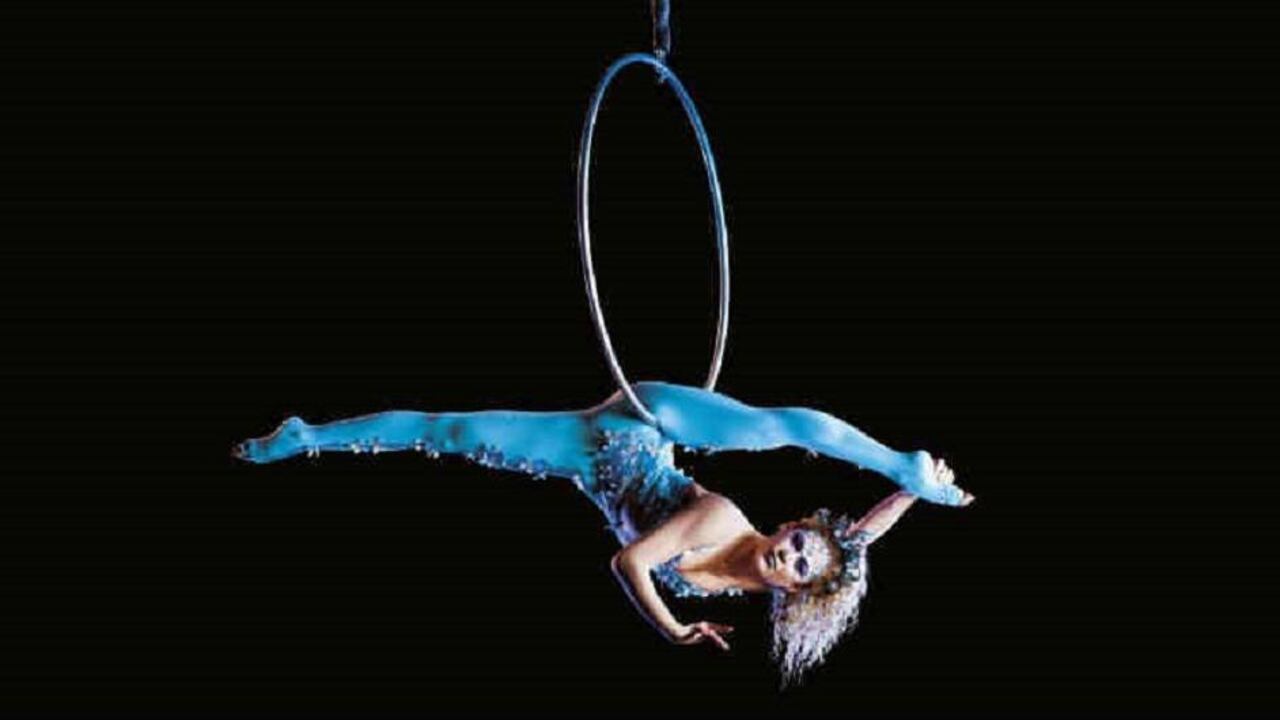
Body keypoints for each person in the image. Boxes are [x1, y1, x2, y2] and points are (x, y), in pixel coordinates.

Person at [233, 380, 974, 684]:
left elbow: (854, 547)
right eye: (799, 539)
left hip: (589, 459)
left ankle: (308, 436)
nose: (793, 551)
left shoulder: (763, 584)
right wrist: (675, 631)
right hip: (646, 423)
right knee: (776, 427)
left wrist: (903, 504)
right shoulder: (721, 521)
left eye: (801, 564)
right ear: (789, 525)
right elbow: (630, 563)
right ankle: (897, 456)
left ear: (795, 591)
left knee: (447, 432)